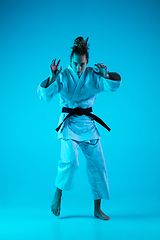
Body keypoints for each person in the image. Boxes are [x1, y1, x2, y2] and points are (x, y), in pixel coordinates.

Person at [37, 36, 121, 220]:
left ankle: (97, 209)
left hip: (88, 125)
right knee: (70, 161)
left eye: (82, 64)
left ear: (87, 62)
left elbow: (114, 84)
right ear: (70, 61)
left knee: (98, 165)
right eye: (75, 64)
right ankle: (58, 193)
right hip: (69, 124)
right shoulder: (63, 75)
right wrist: (52, 77)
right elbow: (45, 95)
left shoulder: (93, 75)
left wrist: (105, 75)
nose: (78, 68)